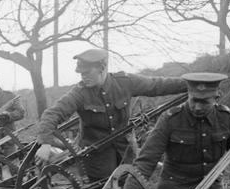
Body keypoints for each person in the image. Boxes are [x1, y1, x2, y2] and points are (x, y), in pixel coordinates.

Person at [35, 48, 187, 181]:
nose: (83, 77)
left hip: (125, 154)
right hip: (95, 159)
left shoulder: (125, 83)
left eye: (87, 73)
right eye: (81, 73)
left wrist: (192, 84)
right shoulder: (79, 93)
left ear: (102, 68)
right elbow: (52, 114)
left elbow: (157, 85)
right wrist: (45, 143)